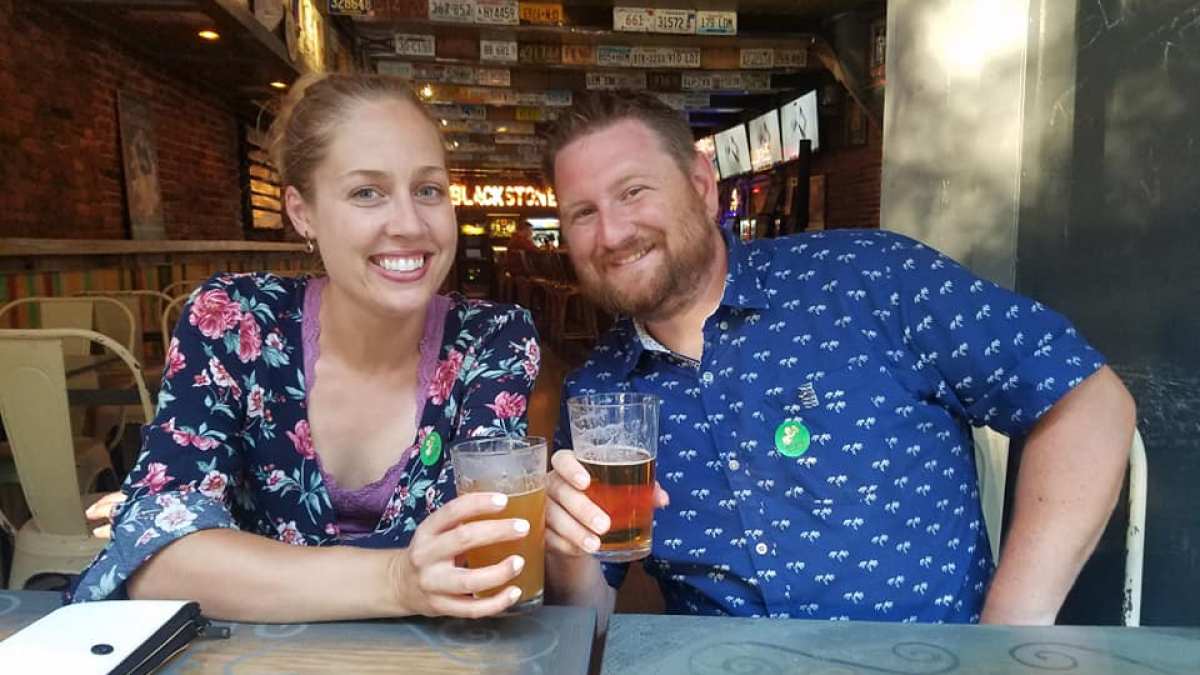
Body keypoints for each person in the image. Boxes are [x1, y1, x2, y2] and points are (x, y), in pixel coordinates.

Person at [540, 92, 1135, 629]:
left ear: (700, 183)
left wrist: (1008, 634)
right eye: (582, 213)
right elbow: (587, 618)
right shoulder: (598, 392)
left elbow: (1086, 398)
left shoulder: (868, 281)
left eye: (632, 192)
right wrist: (567, 554)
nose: (612, 233)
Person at [69, 74, 542, 622]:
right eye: (368, 192)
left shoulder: (492, 339)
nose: (410, 224)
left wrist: (222, 555)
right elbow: (155, 559)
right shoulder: (234, 320)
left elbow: (483, 552)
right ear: (302, 212)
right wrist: (396, 580)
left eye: (428, 190)